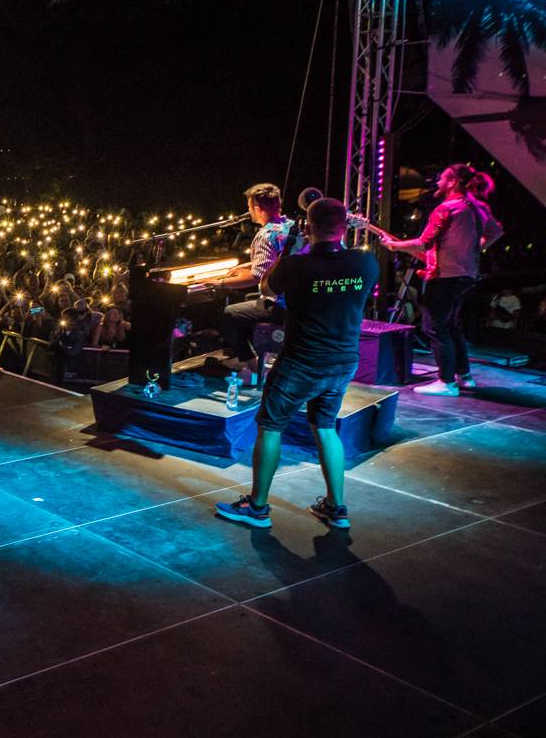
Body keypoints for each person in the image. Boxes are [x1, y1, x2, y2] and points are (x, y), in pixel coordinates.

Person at [215, 198, 378, 531]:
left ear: (306, 227)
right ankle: (336, 507)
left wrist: (292, 251)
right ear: (345, 227)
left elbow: (265, 287)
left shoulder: (296, 265)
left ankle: (257, 507)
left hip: (301, 361)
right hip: (344, 360)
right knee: (326, 426)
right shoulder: (366, 264)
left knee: (271, 425)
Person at [381, 165, 503, 395]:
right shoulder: (478, 207)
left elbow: (423, 243)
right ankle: (463, 375)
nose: (437, 182)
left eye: (441, 178)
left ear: (453, 182)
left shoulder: (447, 209)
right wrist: (473, 249)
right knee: (451, 326)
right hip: (466, 276)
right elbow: (496, 232)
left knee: (434, 327)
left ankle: (446, 382)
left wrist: (394, 246)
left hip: (446, 277)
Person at [213, 183, 295, 378]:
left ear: (257, 209)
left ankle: (251, 364)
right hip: (299, 303)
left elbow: (257, 276)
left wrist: (220, 283)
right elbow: (277, 262)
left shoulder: (266, 235)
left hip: (282, 306)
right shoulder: (291, 226)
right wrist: (246, 265)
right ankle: (252, 358)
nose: (249, 211)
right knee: (249, 305)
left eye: (249, 207)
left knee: (227, 314)